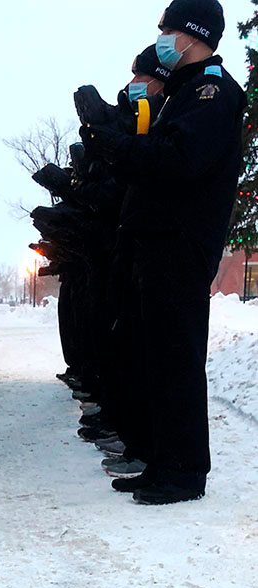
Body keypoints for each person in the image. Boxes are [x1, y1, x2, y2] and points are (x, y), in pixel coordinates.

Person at [86, 0, 246, 504]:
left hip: (182, 241)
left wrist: (118, 143)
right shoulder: (184, 93)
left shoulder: (212, 93)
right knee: (156, 356)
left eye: (168, 30)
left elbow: (179, 160)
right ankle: (162, 460)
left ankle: (183, 471)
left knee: (176, 357)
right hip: (157, 240)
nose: (162, 38)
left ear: (192, 34)